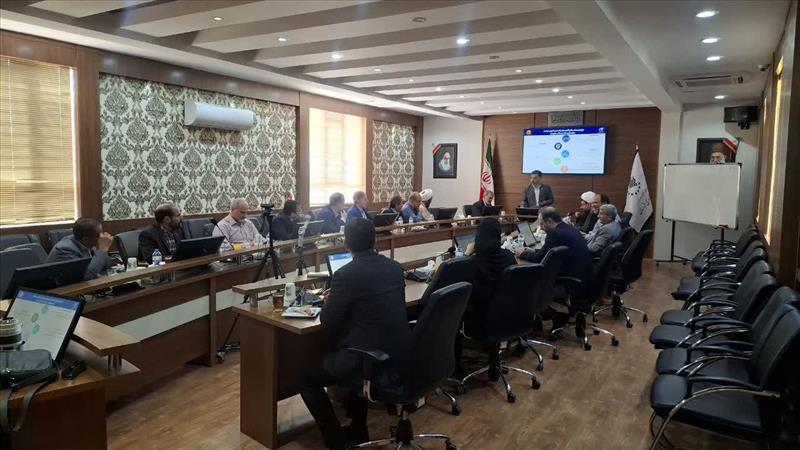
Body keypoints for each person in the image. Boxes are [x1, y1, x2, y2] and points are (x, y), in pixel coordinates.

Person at [300, 219, 412, 450]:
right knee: (358, 349)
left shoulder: (345, 275)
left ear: (346, 243)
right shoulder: (394, 267)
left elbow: (328, 320)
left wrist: (332, 298)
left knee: (306, 379)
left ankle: (335, 439)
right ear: (375, 240)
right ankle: (358, 427)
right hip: (398, 355)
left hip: (370, 358)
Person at [460, 218, 516, 376]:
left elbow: (458, 277)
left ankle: (456, 366)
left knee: (454, 312)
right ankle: (492, 353)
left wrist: (466, 254)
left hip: (480, 318)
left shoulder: (473, 262)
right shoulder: (508, 256)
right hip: (508, 315)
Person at [516, 207, 593, 294]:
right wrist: (533, 251)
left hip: (572, 284)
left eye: (542, 224)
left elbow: (539, 259)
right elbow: (547, 252)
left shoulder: (555, 234)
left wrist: (522, 253)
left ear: (549, 221)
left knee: (527, 279)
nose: (541, 228)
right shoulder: (569, 228)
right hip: (583, 278)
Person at [47, 217, 114, 280]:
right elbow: (86, 275)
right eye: (98, 235)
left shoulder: (88, 243)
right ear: (85, 239)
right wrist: (102, 250)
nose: (102, 237)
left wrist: (102, 250)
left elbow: (107, 264)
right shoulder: (64, 250)